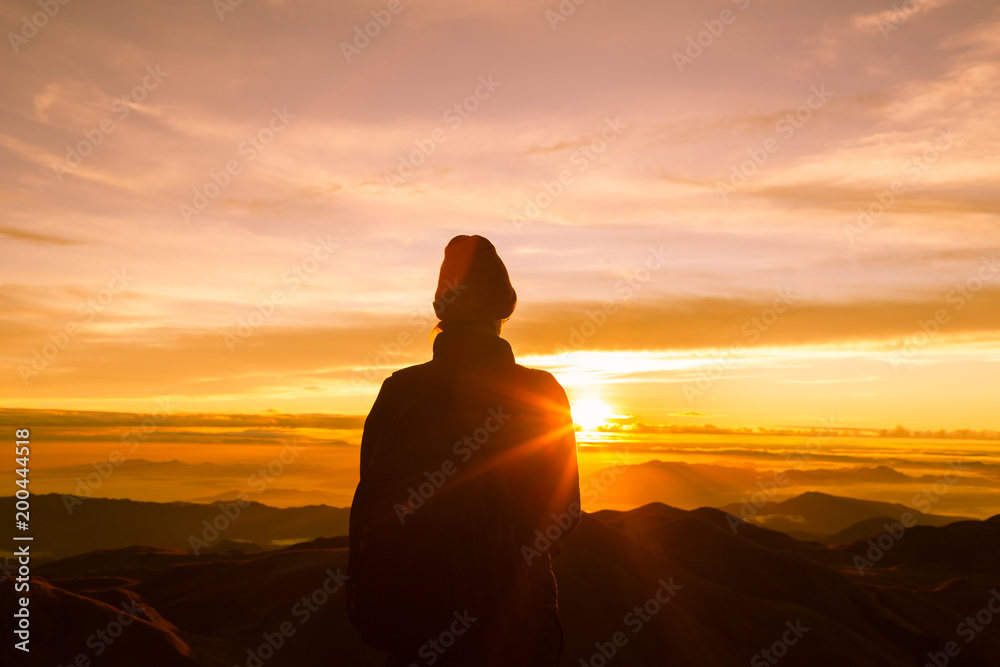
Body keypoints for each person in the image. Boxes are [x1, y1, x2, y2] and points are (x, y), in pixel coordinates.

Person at [347, 234, 581, 667]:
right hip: (517, 622)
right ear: (505, 308)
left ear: (441, 310)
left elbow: (373, 502)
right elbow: (564, 513)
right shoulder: (540, 392)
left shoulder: (400, 391)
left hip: (415, 616)